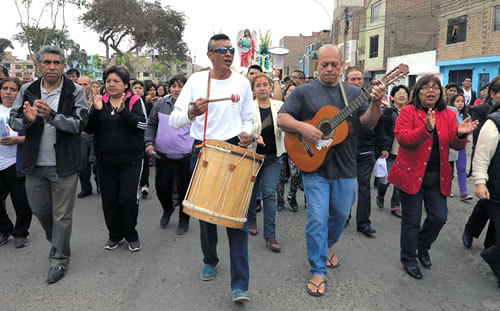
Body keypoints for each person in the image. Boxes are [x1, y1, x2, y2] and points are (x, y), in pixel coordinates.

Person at [277, 44, 386, 297]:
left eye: (334, 64)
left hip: (346, 166)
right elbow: (283, 119)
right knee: (316, 218)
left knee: (339, 215)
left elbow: (368, 124)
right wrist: (305, 129)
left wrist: (376, 103)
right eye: (324, 64)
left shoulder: (354, 92)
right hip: (314, 166)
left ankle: (325, 247)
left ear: (342, 65)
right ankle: (317, 269)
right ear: (317, 65)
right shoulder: (304, 92)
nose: (329, 69)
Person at [170, 34, 253, 303]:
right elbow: (174, 120)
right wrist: (193, 113)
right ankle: (210, 258)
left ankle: (240, 285)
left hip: (233, 152)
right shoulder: (196, 81)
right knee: (206, 216)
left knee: (236, 220)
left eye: (231, 49)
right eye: (223, 50)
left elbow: (249, 119)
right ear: (210, 55)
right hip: (204, 148)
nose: (229, 54)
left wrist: (246, 133)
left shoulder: (242, 82)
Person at [9, 45, 88, 284]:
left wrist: (52, 116)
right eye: (47, 62)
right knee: (40, 210)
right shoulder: (28, 89)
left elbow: (80, 123)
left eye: (57, 62)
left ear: (63, 66)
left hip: (64, 164)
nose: (52, 67)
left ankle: (60, 259)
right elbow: (14, 120)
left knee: (62, 215)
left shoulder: (74, 90)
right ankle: (59, 242)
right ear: (39, 65)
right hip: (35, 164)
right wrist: (29, 119)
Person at [387, 74, 477, 280]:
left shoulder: (447, 114)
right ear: (418, 92)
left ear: (441, 92)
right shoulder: (409, 111)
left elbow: (455, 143)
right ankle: (408, 258)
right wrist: (425, 128)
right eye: (425, 87)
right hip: (412, 175)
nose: (431, 91)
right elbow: (403, 139)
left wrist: (461, 134)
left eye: (435, 87)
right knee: (411, 221)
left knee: (439, 217)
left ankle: (422, 246)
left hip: (438, 176)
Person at [85, 66, 147, 253]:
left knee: (127, 199)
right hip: (105, 162)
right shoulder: (99, 102)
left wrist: (123, 113)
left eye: (116, 81)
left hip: (131, 162)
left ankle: (131, 235)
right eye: (108, 81)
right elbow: (89, 129)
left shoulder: (134, 101)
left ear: (125, 84)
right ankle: (115, 235)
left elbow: (142, 124)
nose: (111, 85)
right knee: (109, 201)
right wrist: (95, 111)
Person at [145, 74, 193, 234]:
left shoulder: (193, 106)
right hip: (162, 157)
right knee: (161, 188)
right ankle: (168, 209)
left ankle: (183, 220)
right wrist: (149, 143)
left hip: (185, 158)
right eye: (173, 86)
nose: (176, 89)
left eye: (180, 86)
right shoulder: (161, 104)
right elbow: (151, 125)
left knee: (184, 191)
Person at [344, 66, 388, 237]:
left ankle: (363, 222)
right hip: (345, 151)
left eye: (359, 79)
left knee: (364, 188)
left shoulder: (372, 98)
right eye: (353, 79)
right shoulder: (341, 98)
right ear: (346, 81)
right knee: (346, 187)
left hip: (365, 150)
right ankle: (344, 215)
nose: (357, 82)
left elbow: (379, 124)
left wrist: (383, 146)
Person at [246, 73, 284, 252]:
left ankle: (270, 235)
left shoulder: (280, 106)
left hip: (273, 158)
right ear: (253, 90)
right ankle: (251, 220)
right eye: (258, 85)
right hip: (252, 157)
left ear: (270, 87)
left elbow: (288, 126)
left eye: (265, 85)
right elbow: (242, 129)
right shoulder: (247, 108)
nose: (262, 88)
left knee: (269, 194)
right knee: (252, 193)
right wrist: (253, 136)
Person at [462, 76, 500, 249]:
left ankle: (491, 246)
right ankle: (470, 230)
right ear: (493, 93)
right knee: (487, 203)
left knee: (492, 207)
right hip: (490, 164)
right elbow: (480, 142)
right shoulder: (482, 110)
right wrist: (480, 179)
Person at [0, 77, 32, 248]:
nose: (8, 92)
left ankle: (20, 233)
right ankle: (4, 229)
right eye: (5, 88)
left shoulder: (24, 112)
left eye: (13, 89)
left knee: (21, 202)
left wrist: (17, 140)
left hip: (15, 163)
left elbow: (35, 138)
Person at [473, 101, 500, 288]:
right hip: (497, 186)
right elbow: (482, 155)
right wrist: (480, 181)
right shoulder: (494, 122)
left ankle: (493, 254)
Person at [376, 85, 410, 218]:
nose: (402, 95)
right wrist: (384, 148)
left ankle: (395, 206)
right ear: (393, 96)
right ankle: (380, 193)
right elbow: (383, 131)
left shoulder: (410, 111)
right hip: (391, 150)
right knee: (387, 179)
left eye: (404, 93)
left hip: (405, 152)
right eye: (399, 93)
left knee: (399, 181)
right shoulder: (388, 112)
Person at [276, 81, 302, 212]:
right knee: (280, 175)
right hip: (280, 145)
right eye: (289, 91)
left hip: (295, 146)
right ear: (285, 94)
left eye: (295, 91)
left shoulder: (302, 107)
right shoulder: (279, 106)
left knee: (295, 173)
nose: (292, 93)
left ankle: (292, 196)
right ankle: (279, 199)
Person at [77, 76, 99, 198]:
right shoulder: (72, 99)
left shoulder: (97, 98)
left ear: (91, 86)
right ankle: (86, 188)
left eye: (85, 84)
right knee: (82, 164)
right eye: (79, 84)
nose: (82, 87)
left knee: (97, 164)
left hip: (95, 135)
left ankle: (100, 185)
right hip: (80, 135)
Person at [448, 94, 473, 201]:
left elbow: (470, 131)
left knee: (462, 168)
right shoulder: (449, 114)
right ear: (452, 103)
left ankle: (463, 192)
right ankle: (447, 189)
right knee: (448, 169)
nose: (460, 103)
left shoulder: (466, 116)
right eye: (457, 101)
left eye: (462, 101)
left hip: (461, 146)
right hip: (449, 145)